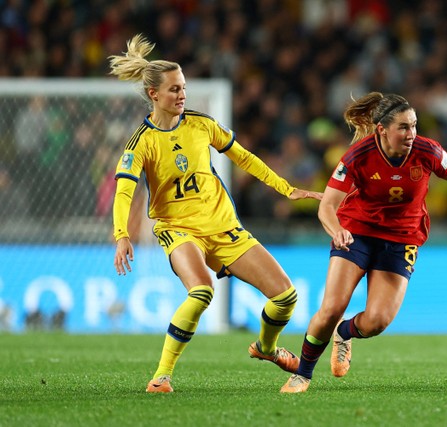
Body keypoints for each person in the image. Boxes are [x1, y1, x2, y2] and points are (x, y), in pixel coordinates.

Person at [108, 34, 322, 393]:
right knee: (201, 291)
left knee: (286, 297)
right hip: (177, 228)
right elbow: (124, 191)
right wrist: (121, 235)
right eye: (174, 89)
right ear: (153, 95)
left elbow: (244, 157)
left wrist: (286, 187)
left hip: (223, 226)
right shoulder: (140, 143)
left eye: (184, 88)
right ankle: (161, 376)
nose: (182, 95)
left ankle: (266, 348)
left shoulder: (201, 124)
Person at [280, 92, 447, 393]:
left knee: (376, 321)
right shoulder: (358, 156)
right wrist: (336, 230)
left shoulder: (427, 151)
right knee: (332, 306)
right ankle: (303, 374)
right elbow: (327, 206)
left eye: (414, 125)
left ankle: (344, 333)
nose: (411, 134)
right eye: (403, 127)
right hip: (356, 233)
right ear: (382, 130)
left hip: (401, 240)